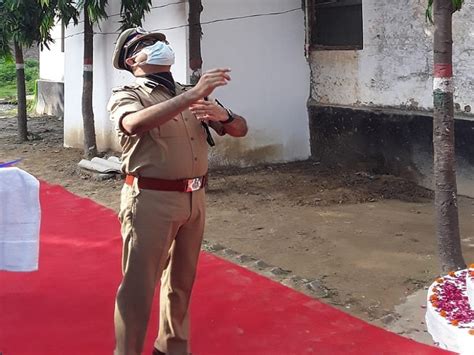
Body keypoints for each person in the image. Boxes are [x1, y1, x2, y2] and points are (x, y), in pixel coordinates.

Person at [107, 27, 248, 355]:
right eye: (147, 44)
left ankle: (171, 347)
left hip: (194, 198)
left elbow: (240, 129)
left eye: (161, 41)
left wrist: (224, 115)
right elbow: (132, 124)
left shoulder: (193, 92)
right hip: (151, 200)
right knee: (139, 287)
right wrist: (190, 96)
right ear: (132, 59)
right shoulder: (130, 94)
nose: (159, 46)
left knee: (181, 283)